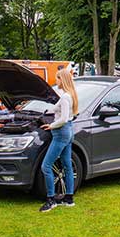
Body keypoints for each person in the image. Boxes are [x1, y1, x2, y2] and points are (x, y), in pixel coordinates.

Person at [38, 68, 78, 212]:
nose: (56, 81)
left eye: (58, 78)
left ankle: (51, 200)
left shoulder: (66, 97)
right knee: (67, 165)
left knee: (46, 166)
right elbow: (59, 111)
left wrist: (51, 125)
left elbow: (63, 118)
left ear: (63, 80)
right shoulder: (70, 95)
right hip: (68, 131)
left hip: (61, 133)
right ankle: (69, 199)